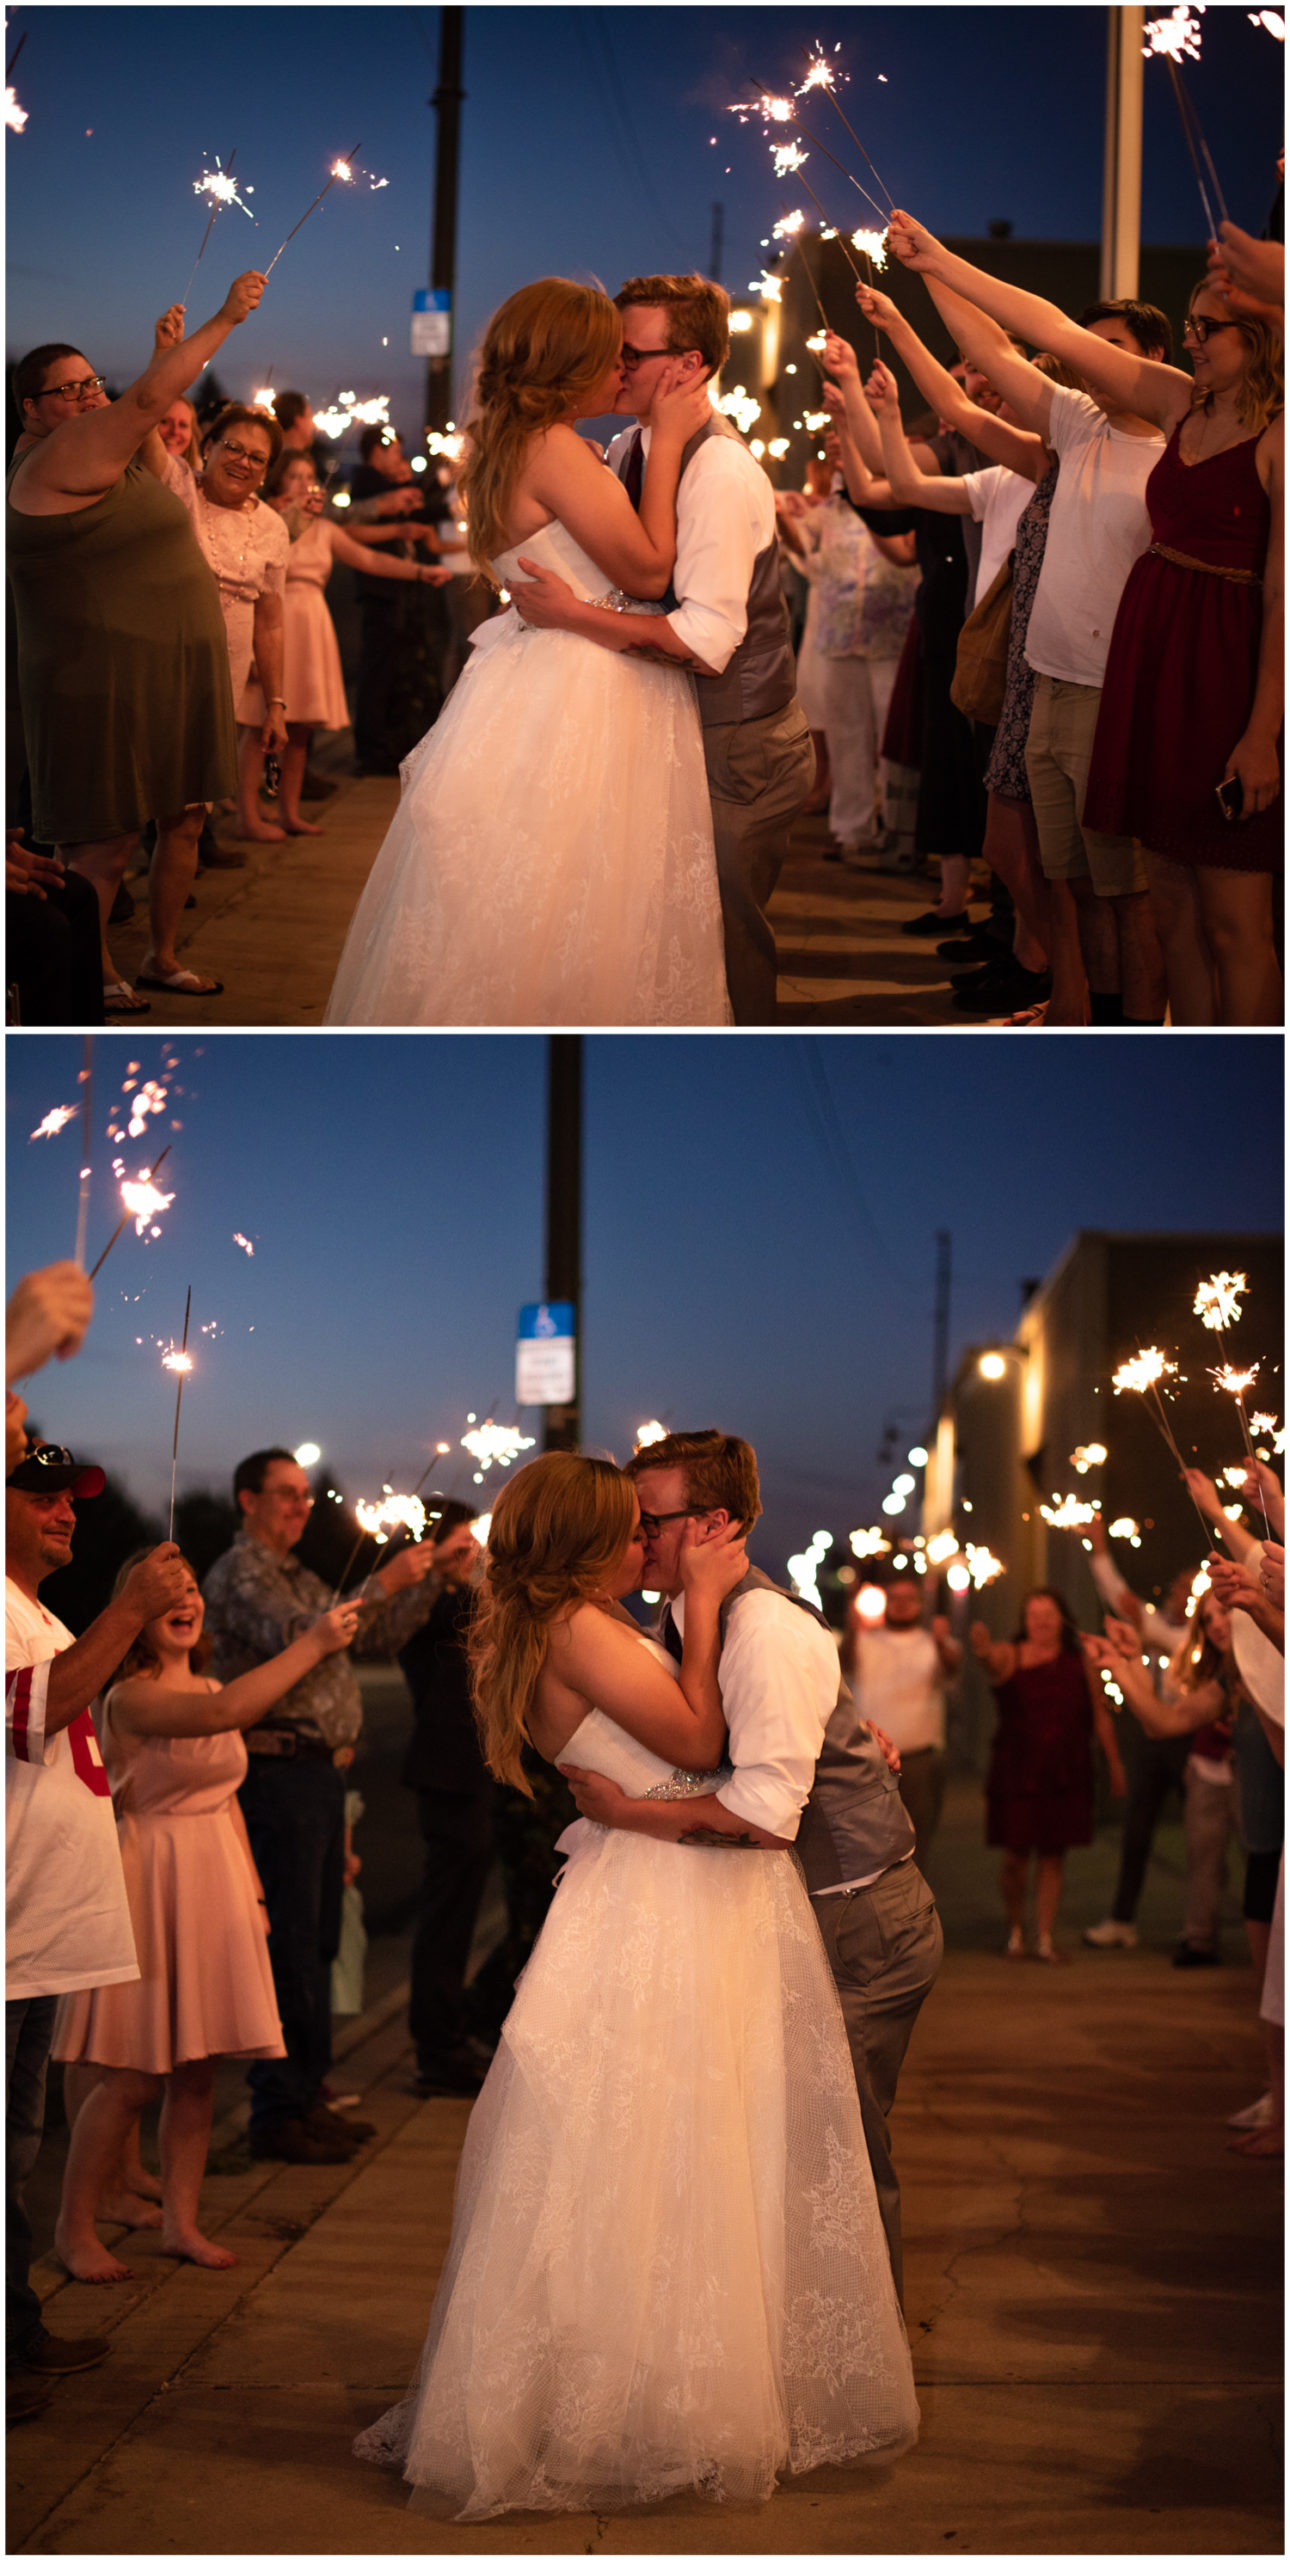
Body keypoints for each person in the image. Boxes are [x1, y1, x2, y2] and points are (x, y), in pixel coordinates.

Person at [353, 1452, 917, 2518]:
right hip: (667, 1905)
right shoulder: (580, 1626)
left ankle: (664, 2380)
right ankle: (637, 2398)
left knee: (669, 2148)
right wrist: (706, 1606)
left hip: (666, 1889)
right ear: (573, 1544)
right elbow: (699, 1737)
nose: (640, 1548)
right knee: (655, 2142)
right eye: (620, 1531)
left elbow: (707, 1750)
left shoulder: (567, 1626)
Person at [571, 1428, 943, 2303]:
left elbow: (766, 1819)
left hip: (861, 1920)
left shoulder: (766, 1629)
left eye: (650, 1521)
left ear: (715, 1525)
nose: (638, 1541)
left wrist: (629, 1814)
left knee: (835, 2150)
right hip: (803, 1913)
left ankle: (865, 2352)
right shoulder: (686, 1614)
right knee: (779, 2149)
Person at [888, 213, 1284, 1025]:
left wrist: (1261, 732)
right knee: (1162, 898)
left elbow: (1279, 596)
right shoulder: (1181, 403)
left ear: (1264, 333)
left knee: (1224, 913)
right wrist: (937, 263)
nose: (1198, 338)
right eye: (1196, 324)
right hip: (1138, 662)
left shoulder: (1267, 433)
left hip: (1208, 668)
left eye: (1212, 328)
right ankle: (1146, 1033)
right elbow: (1045, 331)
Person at [325, 276, 729, 1027]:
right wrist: (669, 441)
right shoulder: (554, 449)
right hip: (585, 683)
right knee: (583, 893)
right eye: (609, 358)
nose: (621, 371)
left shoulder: (513, 442)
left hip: (535, 670)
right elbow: (644, 571)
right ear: (568, 365)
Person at [511, 271, 815, 1025]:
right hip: (671, 731)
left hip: (736, 744)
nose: (612, 367)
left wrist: (572, 616)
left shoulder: (719, 471)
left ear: (691, 365)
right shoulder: (627, 445)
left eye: (629, 354)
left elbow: (705, 641)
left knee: (720, 945)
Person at [51, 1557, 358, 2281]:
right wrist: (311, 1644)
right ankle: (74, 2226)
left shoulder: (216, 1683)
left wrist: (251, 1897)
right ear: (139, 1608)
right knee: (130, 2077)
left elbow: (225, 1798)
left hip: (214, 1880)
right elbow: (227, 1717)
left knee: (198, 2074)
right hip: (149, 1879)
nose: (187, 1600)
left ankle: (180, 2226)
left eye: (192, 1590)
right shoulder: (129, 1697)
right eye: (171, 1591)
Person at [6, 276, 264, 1011]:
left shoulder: (108, 454)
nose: (90, 396)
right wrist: (225, 318)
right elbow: (148, 404)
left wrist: (162, 356)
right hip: (98, 685)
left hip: (155, 677)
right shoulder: (54, 459)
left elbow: (155, 442)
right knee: (99, 847)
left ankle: (142, 959)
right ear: (31, 407)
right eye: (69, 388)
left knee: (163, 825)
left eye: (94, 382)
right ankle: (79, 982)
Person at [6, 1438, 189, 2422]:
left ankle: (15, 2324)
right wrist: (125, 1611)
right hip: (8, 1934)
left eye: (68, 1496)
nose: (63, 1509)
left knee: (16, 2147)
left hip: (37, 1936)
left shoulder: (35, 1610)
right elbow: (32, 1712)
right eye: (35, 1494)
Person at [202, 1448, 438, 2165]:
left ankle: (306, 2095)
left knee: (321, 1942)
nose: (300, 1507)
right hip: (279, 1773)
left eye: (305, 1496)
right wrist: (383, 1579)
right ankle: (277, 2109)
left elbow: (379, 1633)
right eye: (284, 1495)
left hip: (319, 1779)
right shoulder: (242, 1573)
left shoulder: (302, 1571)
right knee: (294, 1945)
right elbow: (304, 1632)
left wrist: (425, 1580)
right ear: (247, 1499)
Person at [238, 452, 452, 835]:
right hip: (276, 620)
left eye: (309, 475)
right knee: (259, 727)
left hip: (312, 622)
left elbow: (368, 558)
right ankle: (249, 816)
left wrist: (420, 571)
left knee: (301, 728)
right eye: (295, 476)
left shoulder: (323, 527)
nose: (305, 483)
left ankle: (290, 811)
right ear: (278, 482)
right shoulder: (264, 520)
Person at [157, 403, 291, 856]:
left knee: (188, 822)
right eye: (233, 447)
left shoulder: (273, 528)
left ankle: (165, 919)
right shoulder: (177, 487)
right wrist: (167, 360)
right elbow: (144, 421)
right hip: (153, 676)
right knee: (121, 820)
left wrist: (275, 704)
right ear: (207, 446)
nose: (243, 461)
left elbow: (270, 624)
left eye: (257, 458)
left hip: (220, 692)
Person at [395, 1504, 495, 2095]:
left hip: (470, 1771)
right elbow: (468, 1616)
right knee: (446, 1913)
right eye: (458, 1543)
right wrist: (444, 1569)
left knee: (458, 1909)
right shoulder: (429, 1600)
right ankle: (438, 2047)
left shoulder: (454, 1596)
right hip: (447, 1770)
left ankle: (448, 2037)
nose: (470, 1553)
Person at [972, 1588, 1126, 1961]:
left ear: (1063, 1619)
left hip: (1066, 1768)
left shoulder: (1079, 1661)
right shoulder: (1013, 1654)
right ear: (1024, 1621)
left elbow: (1099, 1715)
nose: (1041, 1622)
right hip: (1018, 1769)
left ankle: (1043, 1936)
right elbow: (994, 1661)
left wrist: (1116, 1765)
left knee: (1054, 1856)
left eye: (1049, 1614)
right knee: (1015, 1858)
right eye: (1034, 1614)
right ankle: (1015, 1931)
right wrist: (982, 1651)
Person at [1082, 1527, 1193, 1949]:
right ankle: (1122, 1919)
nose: (1180, 1593)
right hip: (1153, 1737)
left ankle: (1203, 1923)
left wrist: (1137, 1617)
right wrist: (1099, 1548)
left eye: (1188, 1588)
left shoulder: (1197, 1636)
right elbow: (1118, 1596)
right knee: (1137, 1829)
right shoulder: (1158, 1625)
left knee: (1205, 1835)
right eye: (1179, 1586)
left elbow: (1165, 1638)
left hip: (1190, 1739)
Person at [845, 1571, 961, 1874]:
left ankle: (914, 1906)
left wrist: (939, 1641)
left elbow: (953, 1666)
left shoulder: (933, 1643)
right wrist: (853, 1627)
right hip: (871, 1759)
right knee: (869, 1839)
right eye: (894, 1598)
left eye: (908, 1599)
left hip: (919, 1760)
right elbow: (843, 1663)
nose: (901, 1605)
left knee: (917, 1837)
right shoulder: (865, 1640)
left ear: (921, 1604)